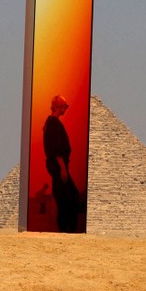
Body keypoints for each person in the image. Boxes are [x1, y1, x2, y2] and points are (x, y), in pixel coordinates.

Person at [43, 94, 79, 232]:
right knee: (68, 199)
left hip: (56, 166)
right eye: (66, 106)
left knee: (65, 197)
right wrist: (63, 169)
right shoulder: (54, 123)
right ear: (59, 107)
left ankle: (65, 229)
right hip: (59, 166)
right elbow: (56, 149)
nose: (66, 108)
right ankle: (67, 230)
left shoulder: (50, 122)